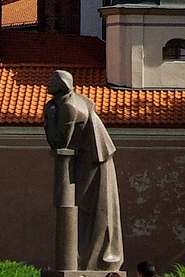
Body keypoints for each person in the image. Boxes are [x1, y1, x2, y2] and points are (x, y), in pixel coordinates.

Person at [43, 69, 123, 271]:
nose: (48, 83)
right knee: (86, 209)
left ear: (61, 84)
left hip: (93, 159)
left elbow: (60, 141)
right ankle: (82, 261)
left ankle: (87, 263)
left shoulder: (68, 106)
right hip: (88, 158)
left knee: (91, 210)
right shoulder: (67, 102)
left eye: (52, 80)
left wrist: (49, 116)